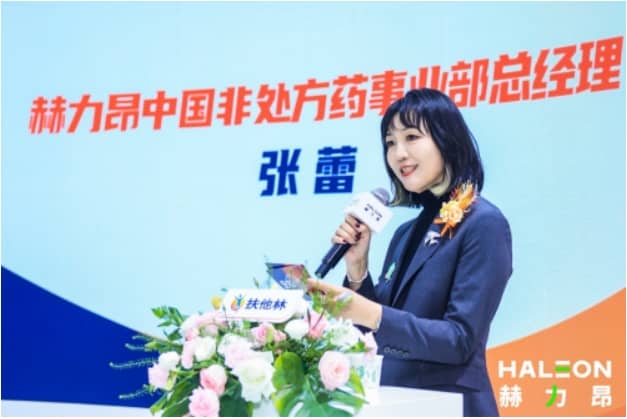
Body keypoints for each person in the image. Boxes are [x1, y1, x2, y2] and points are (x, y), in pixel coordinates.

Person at [309, 88, 513, 416]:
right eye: (390, 143)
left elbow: (460, 340)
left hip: (451, 406)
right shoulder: (404, 233)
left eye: (412, 137)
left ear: (448, 139)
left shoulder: (483, 223)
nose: (399, 154)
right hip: (396, 404)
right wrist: (357, 270)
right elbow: (375, 337)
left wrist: (372, 314)